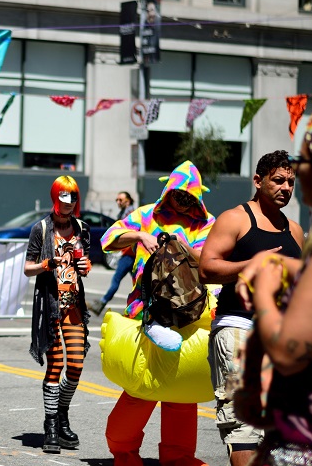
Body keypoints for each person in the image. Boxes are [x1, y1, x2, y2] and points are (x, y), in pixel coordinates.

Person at [234, 96, 312, 465]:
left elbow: (287, 350)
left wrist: (263, 292)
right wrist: (284, 266)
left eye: (302, 165)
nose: (293, 181)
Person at [100, 160, 215, 466]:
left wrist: (179, 246)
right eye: (179, 195)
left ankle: (178, 457)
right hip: (146, 314)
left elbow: (212, 259)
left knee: (182, 393)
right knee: (142, 386)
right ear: (168, 191)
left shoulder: (206, 224)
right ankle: (124, 452)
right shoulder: (146, 215)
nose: (183, 202)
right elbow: (107, 240)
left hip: (188, 316)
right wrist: (140, 236)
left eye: (190, 197)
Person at [198, 151, 303, 466]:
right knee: (244, 426)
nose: (285, 188)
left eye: (290, 182)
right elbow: (207, 268)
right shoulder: (236, 218)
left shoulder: (294, 230)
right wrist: (252, 264)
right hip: (237, 332)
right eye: (278, 180)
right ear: (258, 181)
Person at [23, 175, 91, 454]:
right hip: (51, 305)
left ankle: (61, 414)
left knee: (75, 366)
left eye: (72, 199)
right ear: (55, 198)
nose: (67, 204)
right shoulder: (41, 228)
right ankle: (51, 424)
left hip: (74, 305)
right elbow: (28, 267)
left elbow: (84, 265)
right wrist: (46, 264)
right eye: (63, 199)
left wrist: (85, 265)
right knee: (55, 365)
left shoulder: (82, 228)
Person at [90, 191, 136, 315]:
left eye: (120, 200)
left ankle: (101, 303)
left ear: (128, 201)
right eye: (117, 200)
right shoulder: (125, 213)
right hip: (131, 253)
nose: (118, 202)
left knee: (117, 279)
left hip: (129, 253)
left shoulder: (130, 214)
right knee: (138, 283)